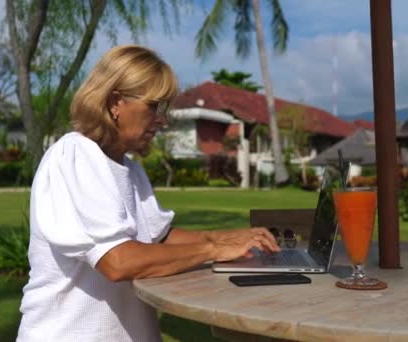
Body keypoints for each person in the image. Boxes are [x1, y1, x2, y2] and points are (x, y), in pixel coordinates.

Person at [16, 45, 280, 342]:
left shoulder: (129, 168)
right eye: (155, 106)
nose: (163, 120)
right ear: (116, 102)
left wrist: (230, 238)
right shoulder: (75, 154)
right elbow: (117, 261)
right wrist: (214, 250)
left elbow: (159, 238)